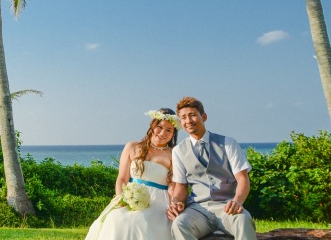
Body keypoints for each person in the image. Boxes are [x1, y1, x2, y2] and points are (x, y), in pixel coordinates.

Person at [166, 96, 257, 240]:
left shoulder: (228, 143)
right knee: (179, 224)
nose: (188, 121)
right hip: (198, 209)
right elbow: (181, 186)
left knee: (243, 220)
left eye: (192, 115)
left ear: (204, 116)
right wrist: (175, 201)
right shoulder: (178, 150)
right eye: (183, 117)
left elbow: (243, 179)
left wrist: (238, 201)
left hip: (228, 207)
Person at [85, 108, 180, 240]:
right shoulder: (132, 147)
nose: (162, 133)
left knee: (141, 222)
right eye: (159, 127)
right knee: (116, 220)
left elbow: (172, 186)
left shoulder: (174, 155)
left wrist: (173, 205)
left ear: (173, 133)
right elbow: (122, 178)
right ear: (152, 125)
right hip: (129, 197)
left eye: (169, 130)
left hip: (159, 201)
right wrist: (121, 198)